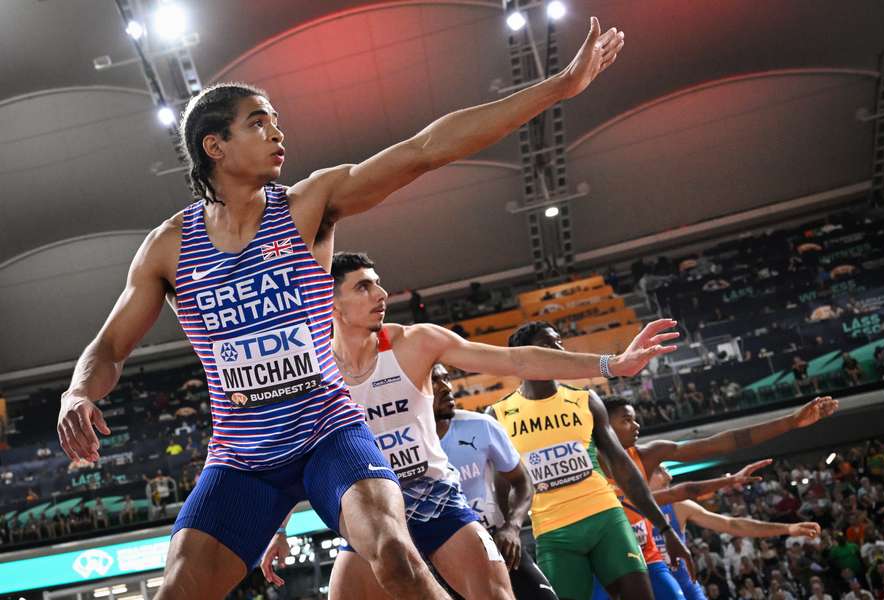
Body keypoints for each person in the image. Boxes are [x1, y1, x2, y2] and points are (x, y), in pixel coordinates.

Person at [55, 17, 626, 599]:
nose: (278, 133)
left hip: (330, 432)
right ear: (215, 146)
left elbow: (426, 149)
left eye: (277, 121)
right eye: (258, 123)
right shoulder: (169, 247)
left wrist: (558, 86)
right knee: (177, 590)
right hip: (242, 455)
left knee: (395, 556)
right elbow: (108, 348)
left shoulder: (308, 204)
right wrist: (79, 391)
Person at [272, 252, 674, 599]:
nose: (380, 295)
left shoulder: (415, 343)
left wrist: (611, 365)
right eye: (363, 287)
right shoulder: (313, 371)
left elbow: (516, 361)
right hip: (372, 514)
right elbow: (298, 452)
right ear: (332, 302)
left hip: (437, 504)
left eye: (378, 284)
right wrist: (279, 530)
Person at [492, 322, 694, 600]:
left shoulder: (584, 400)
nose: (559, 349)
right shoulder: (499, 414)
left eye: (559, 341)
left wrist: (666, 528)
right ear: (524, 354)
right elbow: (501, 487)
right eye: (548, 343)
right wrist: (507, 533)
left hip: (606, 518)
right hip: (553, 532)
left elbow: (623, 467)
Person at [594, 393, 838, 600]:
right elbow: (684, 490)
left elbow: (721, 443)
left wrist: (791, 422)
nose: (637, 426)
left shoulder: (647, 457)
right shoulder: (586, 464)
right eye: (627, 420)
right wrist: (728, 481)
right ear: (603, 424)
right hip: (604, 561)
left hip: (649, 561)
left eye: (635, 420)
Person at [433, 363, 558, 599]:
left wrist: (512, 527)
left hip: (497, 544)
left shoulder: (481, 426)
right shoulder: (405, 448)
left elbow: (523, 483)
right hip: (443, 553)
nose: (446, 387)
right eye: (434, 381)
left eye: (447, 379)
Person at [646, 463, 821, 600]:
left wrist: (788, 528)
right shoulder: (626, 511)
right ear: (641, 475)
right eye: (660, 471)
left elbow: (732, 524)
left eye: (666, 469)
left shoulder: (679, 506)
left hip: (686, 589)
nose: (669, 476)